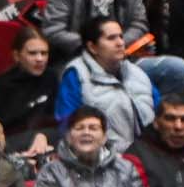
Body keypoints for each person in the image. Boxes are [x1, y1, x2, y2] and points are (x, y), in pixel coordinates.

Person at [40, 0, 184, 96]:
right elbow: (52, 30)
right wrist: (94, 47)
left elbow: (139, 23)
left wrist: (117, 45)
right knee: (63, 81)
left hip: (123, 60)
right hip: (78, 59)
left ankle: (154, 117)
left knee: (177, 69)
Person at [54, 14, 158, 150]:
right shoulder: (76, 75)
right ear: (92, 47)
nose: (120, 43)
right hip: (102, 160)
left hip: (147, 157)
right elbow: (67, 124)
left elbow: (160, 114)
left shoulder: (137, 73)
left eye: (121, 36)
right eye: (111, 38)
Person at [0, 22, 56, 157]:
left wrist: (42, 135)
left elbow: (58, 121)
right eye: (32, 53)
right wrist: (33, 138)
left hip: (48, 141)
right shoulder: (1, 86)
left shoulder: (51, 78)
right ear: (17, 56)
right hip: (12, 147)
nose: (39, 59)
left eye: (44, 53)